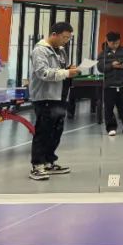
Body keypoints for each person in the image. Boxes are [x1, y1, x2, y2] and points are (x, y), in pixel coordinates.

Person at [28, 22, 80, 181]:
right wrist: (66, 73)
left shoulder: (61, 50)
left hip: (60, 96)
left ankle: (49, 162)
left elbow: (60, 69)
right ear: (54, 34)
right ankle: (37, 165)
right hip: (45, 97)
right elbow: (43, 73)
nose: (66, 41)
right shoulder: (40, 51)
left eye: (69, 38)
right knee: (43, 131)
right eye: (64, 37)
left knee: (56, 131)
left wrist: (69, 69)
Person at [97, 31, 123, 137]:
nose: (115, 45)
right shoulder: (103, 54)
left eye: (116, 42)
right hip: (109, 85)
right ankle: (111, 128)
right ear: (107, 41)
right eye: (112, 43)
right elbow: (100, 67)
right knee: (109, 108)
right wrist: (111, 65)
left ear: (119, 41)